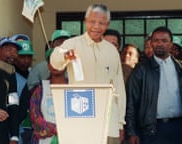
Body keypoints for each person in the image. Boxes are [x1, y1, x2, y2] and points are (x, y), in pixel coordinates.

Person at [50, 4, 126, 144]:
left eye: (101, 23)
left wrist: (120, 122)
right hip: (81, 118)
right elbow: (55, 61)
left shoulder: (112, 51)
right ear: (85, 21)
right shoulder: (72, 43)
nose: (96, 26)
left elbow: (119, 87)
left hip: (108, 122)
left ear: (107, 24)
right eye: (92, 21)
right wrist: (65, 55)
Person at [125, 26, 182, 144]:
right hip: (151, 130)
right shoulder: (141, 70)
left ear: (171, 44)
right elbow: (131, 102)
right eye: (156, 41)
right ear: (151, 43)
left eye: (164, 41)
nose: (159, 44)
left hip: (179, 128)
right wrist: (132, 132)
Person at [30, 48, 67, 144]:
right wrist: (55, 129)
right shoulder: (40, 89)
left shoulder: (74, 89)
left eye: (59, 61)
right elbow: (35, 117)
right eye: (52, 62)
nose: (55, 65)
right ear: (48, 66)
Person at [14, 40, 35, 144]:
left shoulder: (34, 74)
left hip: (35, 127)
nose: (26, 61)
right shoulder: (10, 75)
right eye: (22, 57)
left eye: (29, 57)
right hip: (17, 128)